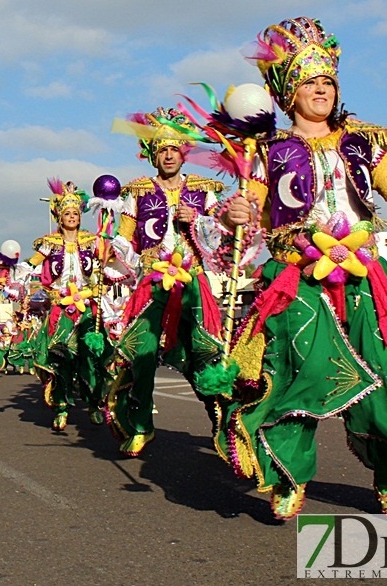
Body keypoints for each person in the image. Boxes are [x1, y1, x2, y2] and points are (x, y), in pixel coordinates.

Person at [218, 17, 387, 521]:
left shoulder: (364, 143)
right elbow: (248, 218)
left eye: (327, 80)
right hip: (297, 280)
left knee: (383, 379)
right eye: (310, 81)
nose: (321, 89)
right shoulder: (268, 153)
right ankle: (290, 476)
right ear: (289, 92)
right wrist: (234, 215)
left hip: (362, 279)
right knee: (296, 377)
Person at [103, 108, 229, 456]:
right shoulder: (138, 191)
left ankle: (219, 415)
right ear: (152, 155)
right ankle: (142, 423)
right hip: (153, 282)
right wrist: (114, 255)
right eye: (162, 149)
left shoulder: (205, 190)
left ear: (183, 152)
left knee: (204, 352)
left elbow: (219, 239)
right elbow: (125, 238)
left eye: (174, 148)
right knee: (142, 353)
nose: (169, 154)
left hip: (193, 283)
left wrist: (199, 220)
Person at [23, 179, 133, 431]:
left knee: (91, 358)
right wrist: (15, 277)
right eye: (67, 213)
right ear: (59, 217)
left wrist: (110, 252)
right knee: (61, 359)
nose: (72, 217)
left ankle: (94, 403)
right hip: (61, 308)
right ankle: (61, 407)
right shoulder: (49, 243)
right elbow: (34, 262)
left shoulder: (91, 241)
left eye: (75, 213)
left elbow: (108, 259)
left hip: (87, 306)